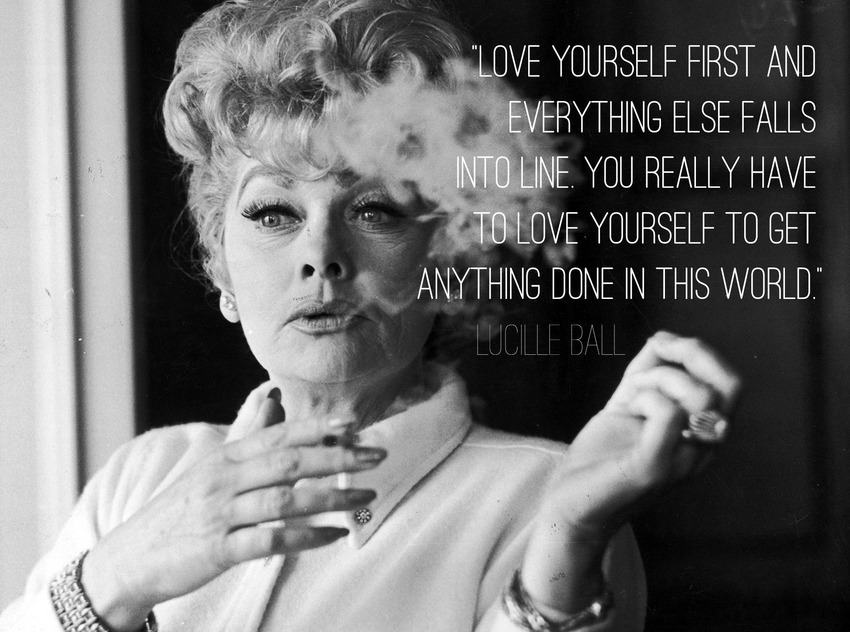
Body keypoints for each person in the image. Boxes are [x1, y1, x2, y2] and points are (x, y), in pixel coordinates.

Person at [0, 1, 741, 630]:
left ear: (447, 258)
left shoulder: (545, 499)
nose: (321, 256)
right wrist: (117, 576)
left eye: (375, 209)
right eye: (273, 212)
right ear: (223, 271)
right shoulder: (141, 480)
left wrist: (571, 534)